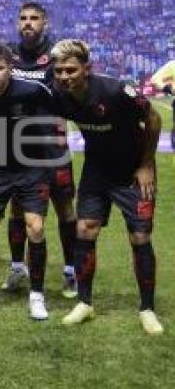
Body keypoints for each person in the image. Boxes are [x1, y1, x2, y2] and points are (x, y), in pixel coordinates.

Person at [49, 40, 163, 335]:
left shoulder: (114, 91)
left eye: (71, 70)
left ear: (87, 68)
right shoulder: (59, 95)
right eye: (59, 70)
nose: (64, 76)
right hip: (97, 171)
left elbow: (153, 118)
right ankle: (85, 303)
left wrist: (146, 164)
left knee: (139, 236)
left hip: (133, 172)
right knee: (84, 229)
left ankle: (147, 309)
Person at [0, 45, 57, 320]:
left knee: (35, 228)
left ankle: (37, 296)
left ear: (10, 69)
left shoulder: (32, 91)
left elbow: (57, 111)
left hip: (32, 167)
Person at [6, 2, 78, 297]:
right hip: (17, 147)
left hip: (52, 146)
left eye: (34, 19)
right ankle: (17, 267)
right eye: (23, 18)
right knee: (17, 208)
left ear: (44, 23)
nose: (28, 23)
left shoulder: (58, 54)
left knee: (64, 208)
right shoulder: (8, 54)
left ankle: (71, 270)